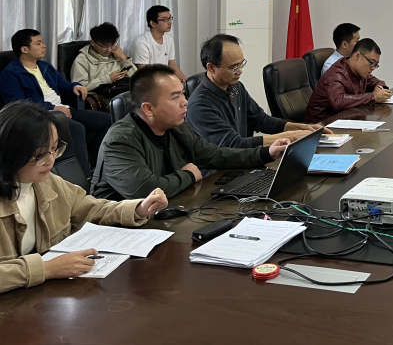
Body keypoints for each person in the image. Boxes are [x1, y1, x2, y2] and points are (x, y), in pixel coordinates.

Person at [0, 102, 168, 294]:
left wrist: (139, 208)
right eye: (40, 155)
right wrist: (46, 269)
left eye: (55, 149)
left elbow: (92, 208)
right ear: (10, 153)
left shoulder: (48, 182)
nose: (51, 160)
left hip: (42, 295)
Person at [90, 65, 290, 200]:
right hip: (121, 232)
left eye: (183, 94)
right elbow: (146, 191)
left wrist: (266, 152)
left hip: (170, 209)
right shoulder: (120, 140)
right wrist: (189, 174)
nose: (185, 102)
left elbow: (213, 155)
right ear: (148, 109)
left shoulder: (175, 125)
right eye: (175, 97)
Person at [0, 29, 112, 177]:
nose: (44, 46)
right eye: (38, 43)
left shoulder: (44, 66)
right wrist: (52, 107)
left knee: (107, 120)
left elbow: (63, 85)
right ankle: (85, 176)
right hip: (42, 116)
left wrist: (75, 86)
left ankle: (98, 167)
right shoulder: (10, 74)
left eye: (42, 42)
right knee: (76, 128)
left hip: (64, 109)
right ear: (24, 49)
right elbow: (17, 104)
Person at [187, 34, 328, 148]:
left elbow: (261, 120)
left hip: (245, 159)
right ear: (211, 68)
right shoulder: (200, 105)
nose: (240, 71)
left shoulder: (236, 87)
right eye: (233, 67)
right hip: (219, 171)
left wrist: (301, 128)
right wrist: (289, 137)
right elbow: (233, 144)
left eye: (241, 64)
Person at [305, 38, 391, 123]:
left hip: (346, 119)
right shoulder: (336, 74)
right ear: (357, 56)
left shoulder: (360, 71)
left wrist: (381, 89)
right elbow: (338, 101)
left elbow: (378, 82)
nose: (372, 68)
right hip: (321, 124)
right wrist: (373, 97)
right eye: (371, 62)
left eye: (375, 65)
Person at [71, 22, 137, 102]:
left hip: (123, 94)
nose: (109, 50)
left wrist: (124, 58)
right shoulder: (82, 60)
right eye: (104, 46)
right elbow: (80, 88)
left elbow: (138, 79)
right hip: (100, 99)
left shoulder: (117, 55)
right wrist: (108, 79)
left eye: (112, 45)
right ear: (93, 43)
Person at [131, 5, 188, 82]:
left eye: (170, 18)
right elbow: (145, 73)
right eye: (165, 20)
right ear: (153, 23)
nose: (170, 22)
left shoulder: (169, 39)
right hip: (148, 83)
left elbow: (172, 65)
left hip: (164, 80)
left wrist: (188, 82)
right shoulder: (141, 42)